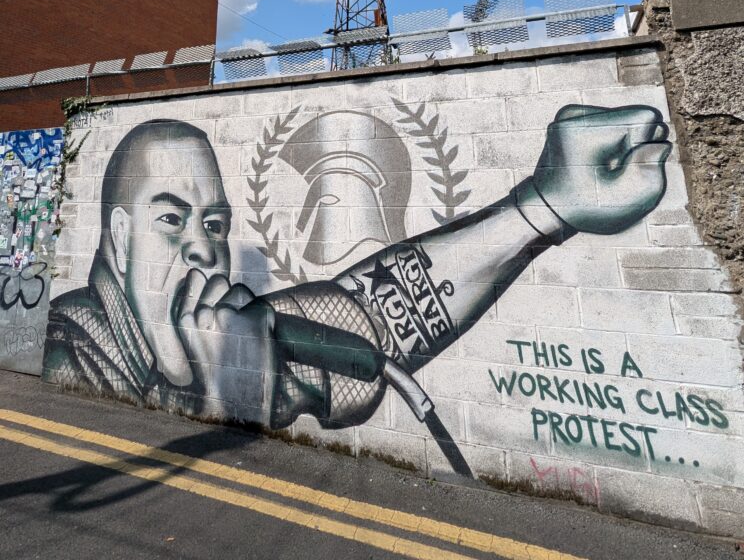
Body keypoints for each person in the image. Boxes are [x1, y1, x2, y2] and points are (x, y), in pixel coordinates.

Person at [44, 105, 670, 466]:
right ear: (119, 236)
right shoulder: (75, 345)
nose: (204, 247)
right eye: (171, 218)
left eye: (214, 223)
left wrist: (543, 207)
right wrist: (216, 402)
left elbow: (369, 316)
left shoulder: (230, 329)